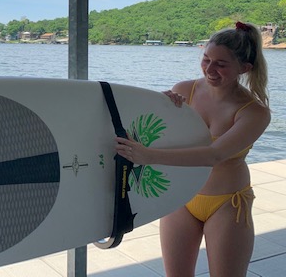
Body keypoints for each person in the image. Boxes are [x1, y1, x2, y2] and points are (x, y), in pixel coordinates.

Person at [116, 21, 271, 277]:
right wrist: (158, 105)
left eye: (221, 64)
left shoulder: (254, 112)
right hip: (182, 196)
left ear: (244, 68)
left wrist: (148, 156)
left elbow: (215, 155)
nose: (210, 69)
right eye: (206, 59)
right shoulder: (184, 90)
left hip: (226, 202)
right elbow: (149, 130)